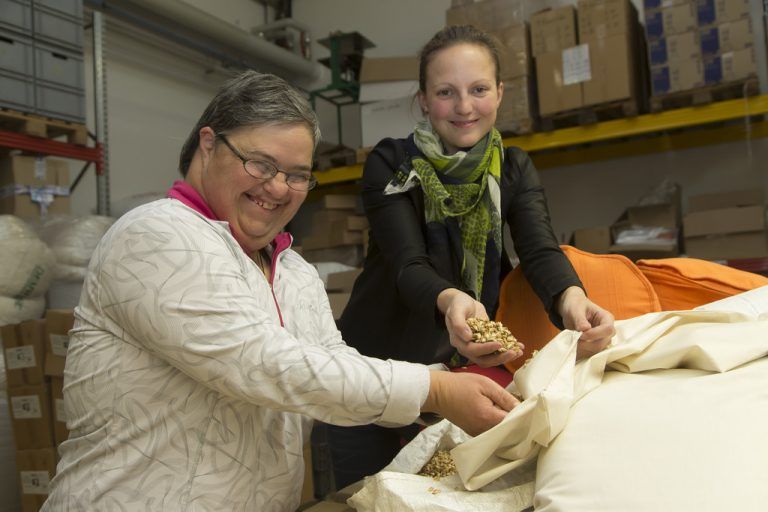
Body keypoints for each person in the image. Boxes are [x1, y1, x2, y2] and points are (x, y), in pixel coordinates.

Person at [41, 70, 520, 512]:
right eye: (260, 163)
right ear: (208, 144)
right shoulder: (156, 236)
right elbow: (263, 364)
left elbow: (335, 377)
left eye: (296, 175)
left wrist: (450, 375)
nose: (278, 187)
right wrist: (436, 390)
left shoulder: (292, 270)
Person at [327, 25, 617, 489]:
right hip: (374, 374)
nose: (464, 107)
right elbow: (408, 265)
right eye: (446, 92)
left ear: (499, 93)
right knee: (362, 496)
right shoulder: (391, 163)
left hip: (462, 374)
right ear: (423, 99)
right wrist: (453, 300)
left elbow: (539, 249)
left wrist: (572, 299)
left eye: (479, 89)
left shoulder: (514, 167)